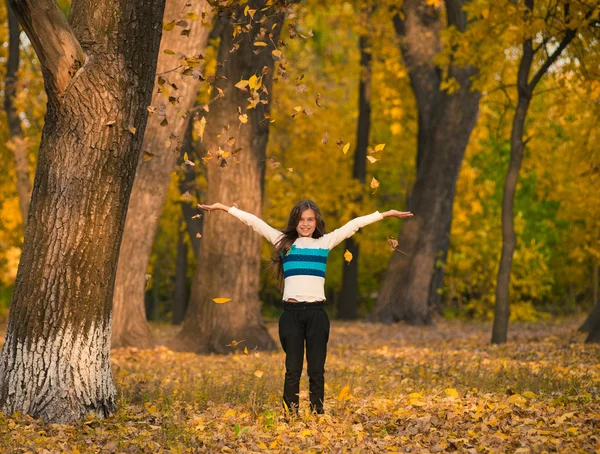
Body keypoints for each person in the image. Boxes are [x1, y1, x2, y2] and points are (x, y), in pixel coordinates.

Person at [197, 200, 413, 415]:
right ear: (295, 221)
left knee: (316, 370)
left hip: (317, 314)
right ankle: (290, 414)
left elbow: (354, 224)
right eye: (301, 219)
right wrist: (225, 208)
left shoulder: (325, 243)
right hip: (291, 315)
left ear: (316, 221)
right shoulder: (283, 241)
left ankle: (317, 412)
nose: (306, 224)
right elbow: (255, 222)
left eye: (310, 219)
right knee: (292, 370)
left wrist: (386, 213)